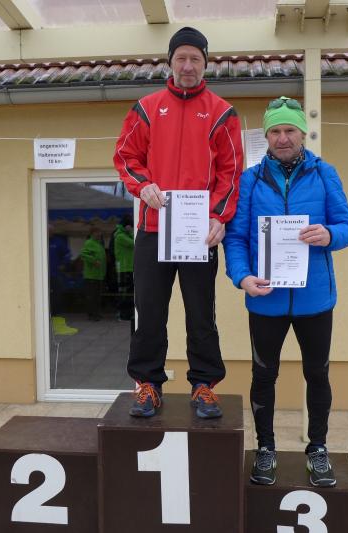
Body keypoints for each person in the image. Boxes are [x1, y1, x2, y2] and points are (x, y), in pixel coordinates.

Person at [223, 97, 348, 487]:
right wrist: (242, 277)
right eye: (275, 131)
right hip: (266, 299)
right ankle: (265, 448)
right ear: (266, 136)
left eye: (290, 130)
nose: (283, 138)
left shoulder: (325, 173)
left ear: (302, 133)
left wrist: (329, 234)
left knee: (317, 374)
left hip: (315, 299)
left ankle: (318, 448)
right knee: (264, 376)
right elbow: (235, 238)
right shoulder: (249, 180)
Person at [113, 26, 243, 418]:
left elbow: (231, 172)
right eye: (181, 58)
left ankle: (204, 386)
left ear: (206, 64)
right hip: (153, 231)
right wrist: (143, 186)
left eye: (195, 59)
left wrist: (218, 216)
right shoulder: (146, 108)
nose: (188, 66)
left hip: (198, 234)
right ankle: (147, 385)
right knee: (150, 312)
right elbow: (126, 157)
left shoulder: (222, 113)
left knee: (201, 314)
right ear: (170, 62)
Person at [80, 227, 106, 322]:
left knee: (97, 297)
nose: (99, 234)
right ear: (92, 233)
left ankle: (96, 313)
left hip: (99, 275)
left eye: (100, 232)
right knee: (92, 296)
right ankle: (91, 315)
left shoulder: (99, 244)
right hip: (91, 275)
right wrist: (94, 261)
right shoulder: (89, 243)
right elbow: (83, 255)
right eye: (97, 232)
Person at [113, 214, 135, 322]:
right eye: (131, 226)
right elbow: (134, 243)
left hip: (128, 267)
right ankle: (122, 314)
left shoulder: (124, 235)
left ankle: (127, 314)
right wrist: (132, 232)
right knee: (125, 293)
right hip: (124, 268)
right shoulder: (120, 236)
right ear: (127, 226)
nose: (132, 228)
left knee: (129, 293)